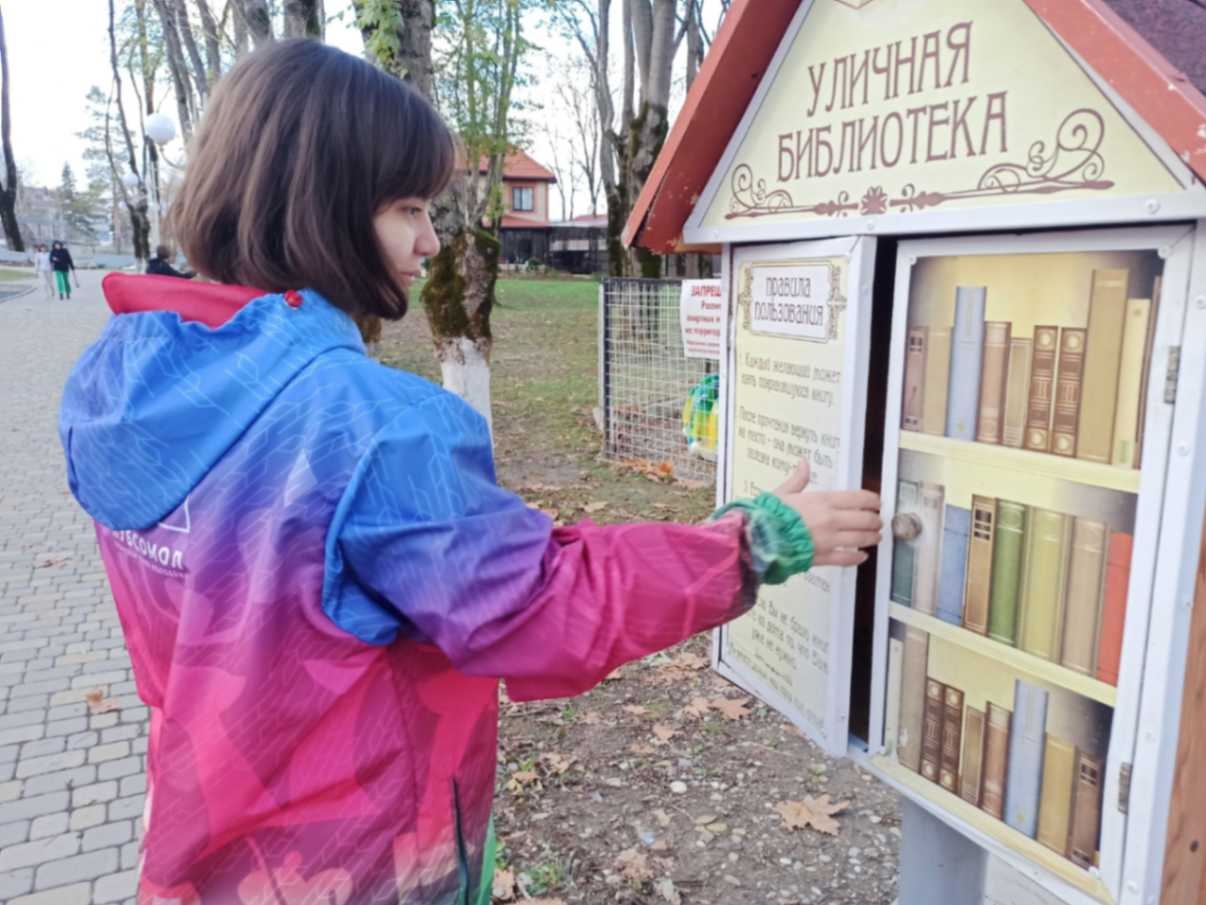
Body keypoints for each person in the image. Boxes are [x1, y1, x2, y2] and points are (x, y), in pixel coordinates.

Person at [58, 41, 882, 905]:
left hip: (203, 843)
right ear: (323, 205)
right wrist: (749, 546)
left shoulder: (115, 382)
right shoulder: (371, 430)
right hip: (363, 863)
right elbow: (543, 604)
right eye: (407, 208)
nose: (430, 240)